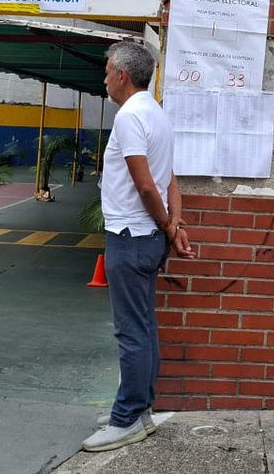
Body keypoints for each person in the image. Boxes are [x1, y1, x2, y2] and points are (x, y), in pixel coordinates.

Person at [81, 41, 195, 453]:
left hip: (130, 236)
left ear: (123, 75)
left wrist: (167, 224)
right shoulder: (156, 114)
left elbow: (146, 185)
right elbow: (170, 178)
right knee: (144, 326)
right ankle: (140, 409)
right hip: (148, 238)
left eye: (107, 72)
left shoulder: (130, 116)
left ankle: (126, 418)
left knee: (131, 331)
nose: (105, 79)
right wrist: (172, 225)